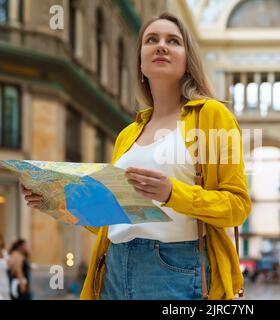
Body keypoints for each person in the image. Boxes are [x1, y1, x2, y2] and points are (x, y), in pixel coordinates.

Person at [20, 12, 251, 300]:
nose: (161, 46)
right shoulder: (128, 134)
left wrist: (171, 193)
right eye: (151, 40)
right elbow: (113, 220)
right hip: (113, 268)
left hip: (174, 269)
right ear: (141, 62)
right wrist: (59, 203)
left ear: (187, 59)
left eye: (173, 41)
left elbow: (237, 206)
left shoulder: (212, 115)